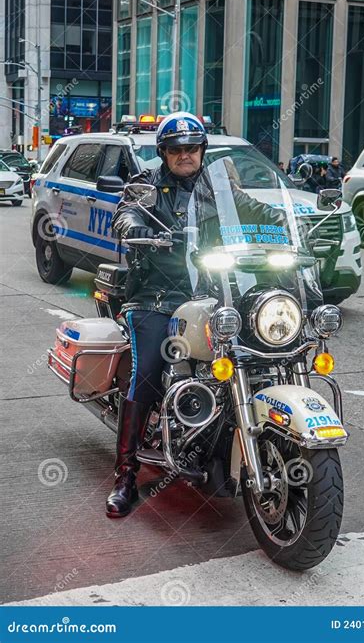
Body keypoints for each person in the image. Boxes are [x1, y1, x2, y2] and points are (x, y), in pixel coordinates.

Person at [106, 112, 285, 518]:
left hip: (214, 292)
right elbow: (128, 212)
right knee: (148, 371)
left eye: (192, 148)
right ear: (164, 153)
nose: (185, 155)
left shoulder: (219, 189)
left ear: (202, 151)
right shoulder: (147, 186)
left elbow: (259, 213)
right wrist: (135, 228)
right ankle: (126, 475)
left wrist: (291, 229)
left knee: (261, 347)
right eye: (176, 149)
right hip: (156, 295)